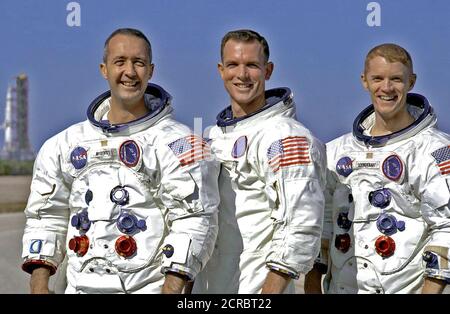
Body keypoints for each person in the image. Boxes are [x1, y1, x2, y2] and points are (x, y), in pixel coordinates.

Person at [21, 28, 219, 294]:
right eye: (120, 62)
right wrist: (39, 285)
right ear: (104, 69)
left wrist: (171, 289)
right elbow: (45, 216)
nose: (130, 71)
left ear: (151, 70)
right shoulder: (64, 145)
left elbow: (195, 220)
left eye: (138, 63)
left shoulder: (180, 143)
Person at [305, 43, 450, 294]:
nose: (387, 88)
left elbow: (446, 230)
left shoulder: (434, 150)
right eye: (378, 78)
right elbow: (321, 223)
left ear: (411, 82)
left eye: (396, 79)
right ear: (364, 81)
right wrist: (312, 284)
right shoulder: (336, 152)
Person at [193, 29, 326, 294]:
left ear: (268, 71)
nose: (241, 75)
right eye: (233, 65)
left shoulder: (286, 136)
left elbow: (300, 225)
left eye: (252, 65)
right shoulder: (212, 137)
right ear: (221, 70)